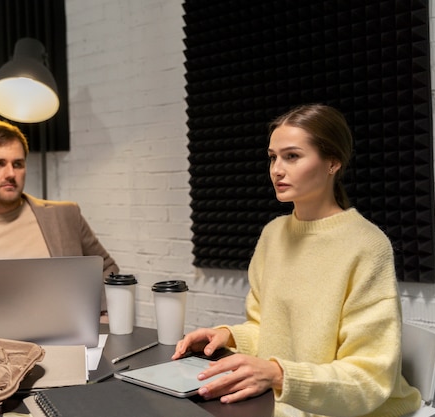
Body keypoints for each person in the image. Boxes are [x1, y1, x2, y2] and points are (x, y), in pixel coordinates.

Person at [172, 104, 421, 416]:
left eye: (292, 156)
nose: (277, 169)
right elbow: (270, 332)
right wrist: (230, 336)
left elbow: (368, 378)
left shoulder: (367, 246)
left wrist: (279, 375)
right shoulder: (273, 235)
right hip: (281, 405)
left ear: (333, 162)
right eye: (273, 157)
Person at [0, 120, 119, 309]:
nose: (11, 173)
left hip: (69, 336)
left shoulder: (65, 216)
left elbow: (106, 268)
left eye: (18, 164)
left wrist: (102, 316)